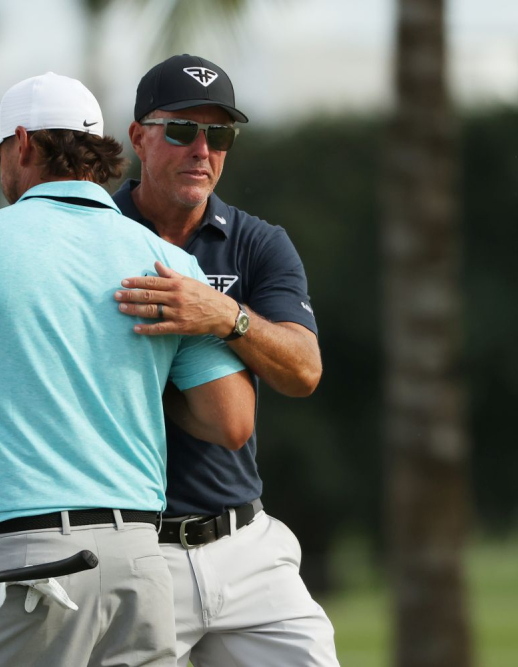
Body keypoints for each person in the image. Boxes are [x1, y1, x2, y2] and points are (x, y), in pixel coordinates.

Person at [0, 72, 255, 667]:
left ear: (23, 144)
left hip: (23, 565)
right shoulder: (169, 262)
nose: (3, 172)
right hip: (138, 565)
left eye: (1, 158)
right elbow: (231, 420)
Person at [111, 54, 341, 666]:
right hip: (133, 545)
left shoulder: (259, 241)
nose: (202, 151)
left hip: (243, 539)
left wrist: (225, 316)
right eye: (183, 130)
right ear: (139, 137)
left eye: (220, 135)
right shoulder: (96, 234)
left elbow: (303, 370)